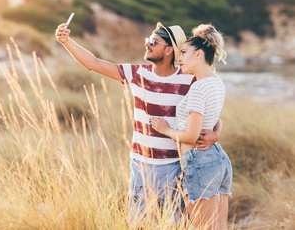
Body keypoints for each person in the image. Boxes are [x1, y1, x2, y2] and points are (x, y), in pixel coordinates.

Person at [55, 21, 222, 225]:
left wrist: (216, 133)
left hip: (176, 167)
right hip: (142, 166)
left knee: (177, 224)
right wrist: (66, 41)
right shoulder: (137, 73)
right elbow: (94, 63)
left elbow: (209, 111)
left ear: (169, 49)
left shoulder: (188, 78)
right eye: (147, 40)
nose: (147, 44)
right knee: (140, 224)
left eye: (154, 41)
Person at [150, 24, 232, 229]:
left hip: (199, 161)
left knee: (205, 227)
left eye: (184, 53)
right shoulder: (216, 82)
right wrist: (216, 132)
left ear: (199, 54)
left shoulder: (197, 88)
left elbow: (191, 136)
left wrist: (165, 129)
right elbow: (215, 119)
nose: (179, 58)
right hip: (218, 159)